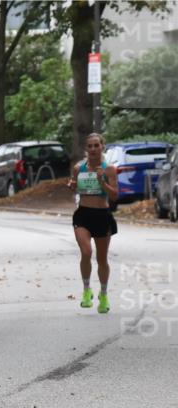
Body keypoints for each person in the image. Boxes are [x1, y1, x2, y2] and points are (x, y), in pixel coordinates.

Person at [67, 132, 118, 314]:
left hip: (102, 215)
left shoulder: (109, 169)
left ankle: (103, 294)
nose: (93, 149)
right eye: (90, 146)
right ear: (86, 149)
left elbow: (114, 195)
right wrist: (72, 185)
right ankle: (87, 290)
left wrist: (102, 181)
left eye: (97, 145)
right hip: (83, 214)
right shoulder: (78, 168)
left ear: (102, 147)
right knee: (86, 252)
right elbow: (74, 185)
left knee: (102, 259)